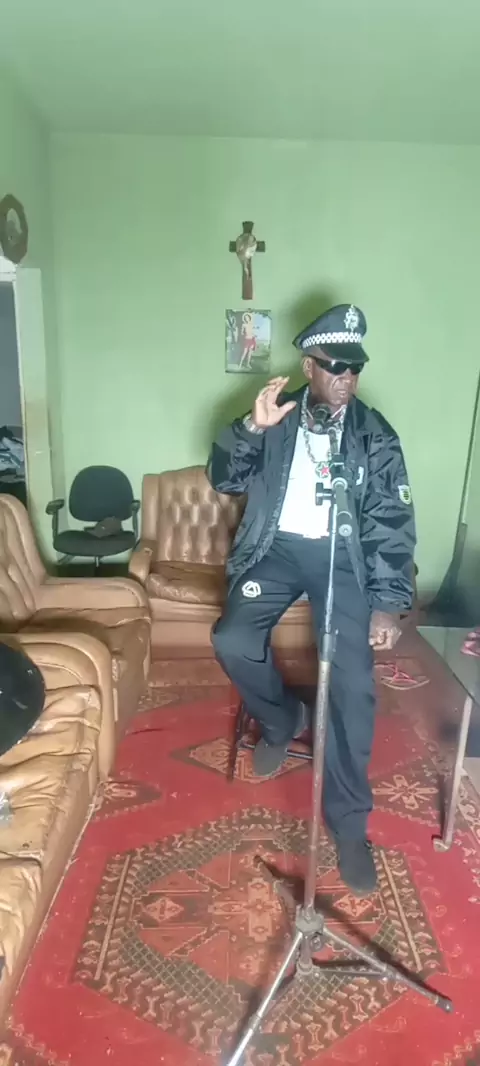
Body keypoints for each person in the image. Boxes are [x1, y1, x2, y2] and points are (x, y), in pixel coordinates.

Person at [207, 303, 416, 896]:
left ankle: (349, 826)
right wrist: (252, 430)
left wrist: (388, 602)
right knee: (232, 639)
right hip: (275, 550)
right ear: (309, 367)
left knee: (353, 685)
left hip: (342, 558)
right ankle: (283, 719)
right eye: (334, 367)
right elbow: (223, 478)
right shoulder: (277, 415)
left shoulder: (375, 435)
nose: (346, 378)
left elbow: (391, 521)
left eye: (355, 368)